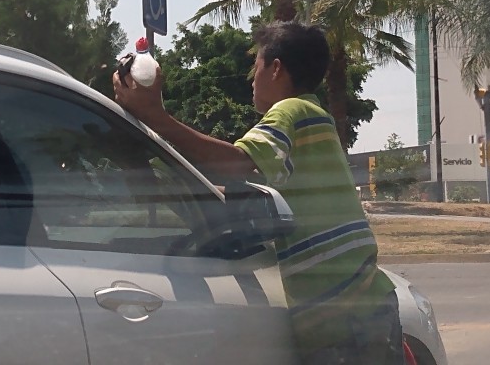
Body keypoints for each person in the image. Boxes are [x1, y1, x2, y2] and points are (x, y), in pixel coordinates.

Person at [113, 21, 403, 364]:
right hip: (358, 306)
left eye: (257, 67)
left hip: (348, 316)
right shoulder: (315, 120)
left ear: (276, 69)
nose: (253, 79)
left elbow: (236, 164)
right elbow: (238, 195)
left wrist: (156, 118)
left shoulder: (292, 111)